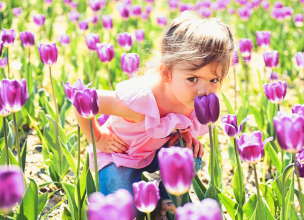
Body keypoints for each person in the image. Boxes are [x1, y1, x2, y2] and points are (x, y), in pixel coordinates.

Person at [75, 12, 234, 218]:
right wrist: (97, 137)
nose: (203, 90)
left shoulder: (192, 97)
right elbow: (84, 101)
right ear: (167, 73)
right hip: (121, 155)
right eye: (193, 78)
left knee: (189, 156)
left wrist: (185, 136)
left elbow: (176, 123)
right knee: (122, 207)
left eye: (213, 80)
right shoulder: (140, 102)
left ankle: (165, 199)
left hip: (152, 151)